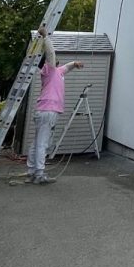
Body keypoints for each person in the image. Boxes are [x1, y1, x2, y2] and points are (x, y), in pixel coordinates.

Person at [26, 26, 83, 184]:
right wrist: (45, 37)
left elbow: (67, 67)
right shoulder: (48, 70)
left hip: (45, 111)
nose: (57, 62)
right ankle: (39, 174)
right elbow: (50, 53)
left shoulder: (57, 72)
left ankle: (32, 171)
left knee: (38, 142)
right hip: (48, 111)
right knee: (42, 144)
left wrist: (74, 63)